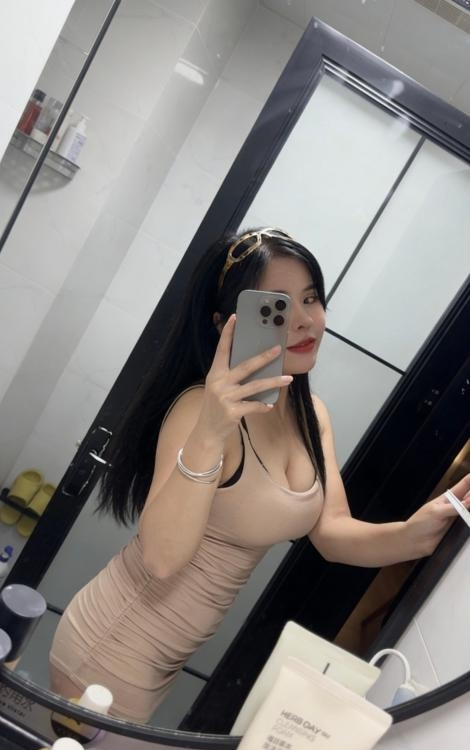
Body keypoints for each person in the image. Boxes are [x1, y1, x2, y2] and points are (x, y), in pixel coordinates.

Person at [49, 227, 470, 723]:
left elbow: (333, 533)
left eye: (310, 298)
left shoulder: (312, 414)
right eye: (276, 307)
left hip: (165, 657)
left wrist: (413, 535)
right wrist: (212, 429)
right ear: (226, 325)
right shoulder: (198, 411)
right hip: (112, 643)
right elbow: (161, 560)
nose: (303, 320)